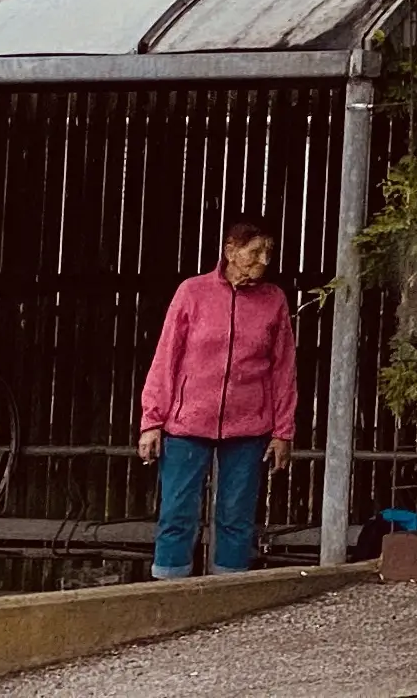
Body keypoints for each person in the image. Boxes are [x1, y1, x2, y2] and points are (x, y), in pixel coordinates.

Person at [138, 213, 299, 578]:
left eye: (269, 252)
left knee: (236, 515)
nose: (264, 260)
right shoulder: (192, 292)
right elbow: (166, 357)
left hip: (249, 426)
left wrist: (282, 431)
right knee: (177, 512)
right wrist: (152, 420)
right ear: (230, 251)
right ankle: (169, 591)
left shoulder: (273, 300)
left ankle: (229, 590)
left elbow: (283, 368)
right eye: (255, 251)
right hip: (187, 422)